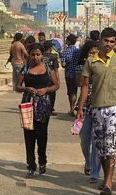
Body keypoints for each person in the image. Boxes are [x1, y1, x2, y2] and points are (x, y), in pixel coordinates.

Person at [77, 27, 116, 195]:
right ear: (101, 41)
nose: (109, 44)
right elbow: (85, 86)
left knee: (111, 143)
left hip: (114, 107)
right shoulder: (91, 61)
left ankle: (108, 181)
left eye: (112, 42)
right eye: (106, 41)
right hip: (96, 108)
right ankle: (106, 177)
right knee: (100, 146)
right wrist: (80, 107)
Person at [15, 43, 59, 178]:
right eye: (33, 54)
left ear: (42, 55)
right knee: (29, 136)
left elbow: (56, 85)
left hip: (43, 105)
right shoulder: (25, 68)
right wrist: (27, 89)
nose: (35, 57)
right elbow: (17, 86)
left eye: (38, 54)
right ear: (29, 55)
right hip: (28, 104)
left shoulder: (47, 67)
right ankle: (31, 165)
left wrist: (45, 89)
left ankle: (42, 160)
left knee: (42, 134)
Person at [75, 40, 101, 183]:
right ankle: (88, 160)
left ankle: (95, 171)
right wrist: (87, 68)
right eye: (91, 52)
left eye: (96, 52)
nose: (93, 55)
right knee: (84, 140)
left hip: (100, 105)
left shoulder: (103, 66)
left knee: (96, 139)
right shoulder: (82, 66)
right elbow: (79, 83)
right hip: (85, 105)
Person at [60, 34, 80, 116]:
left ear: (68, 41)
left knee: (70, 92)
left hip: (68, 74)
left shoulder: (64, 52)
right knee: (74, 92)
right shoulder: (78, 51)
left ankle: (71, 108)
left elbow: (63, 65)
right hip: (77, 73)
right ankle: (74, 107)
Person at [42, 40, 61, 115]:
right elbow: (56, 69)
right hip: (51, 78)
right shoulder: (54, 57)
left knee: (43, 93)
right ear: (50, 48)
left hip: (42, 77)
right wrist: (58, 80)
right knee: (52, 94)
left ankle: (43, 107)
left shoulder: (41, 56)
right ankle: (50, 109)